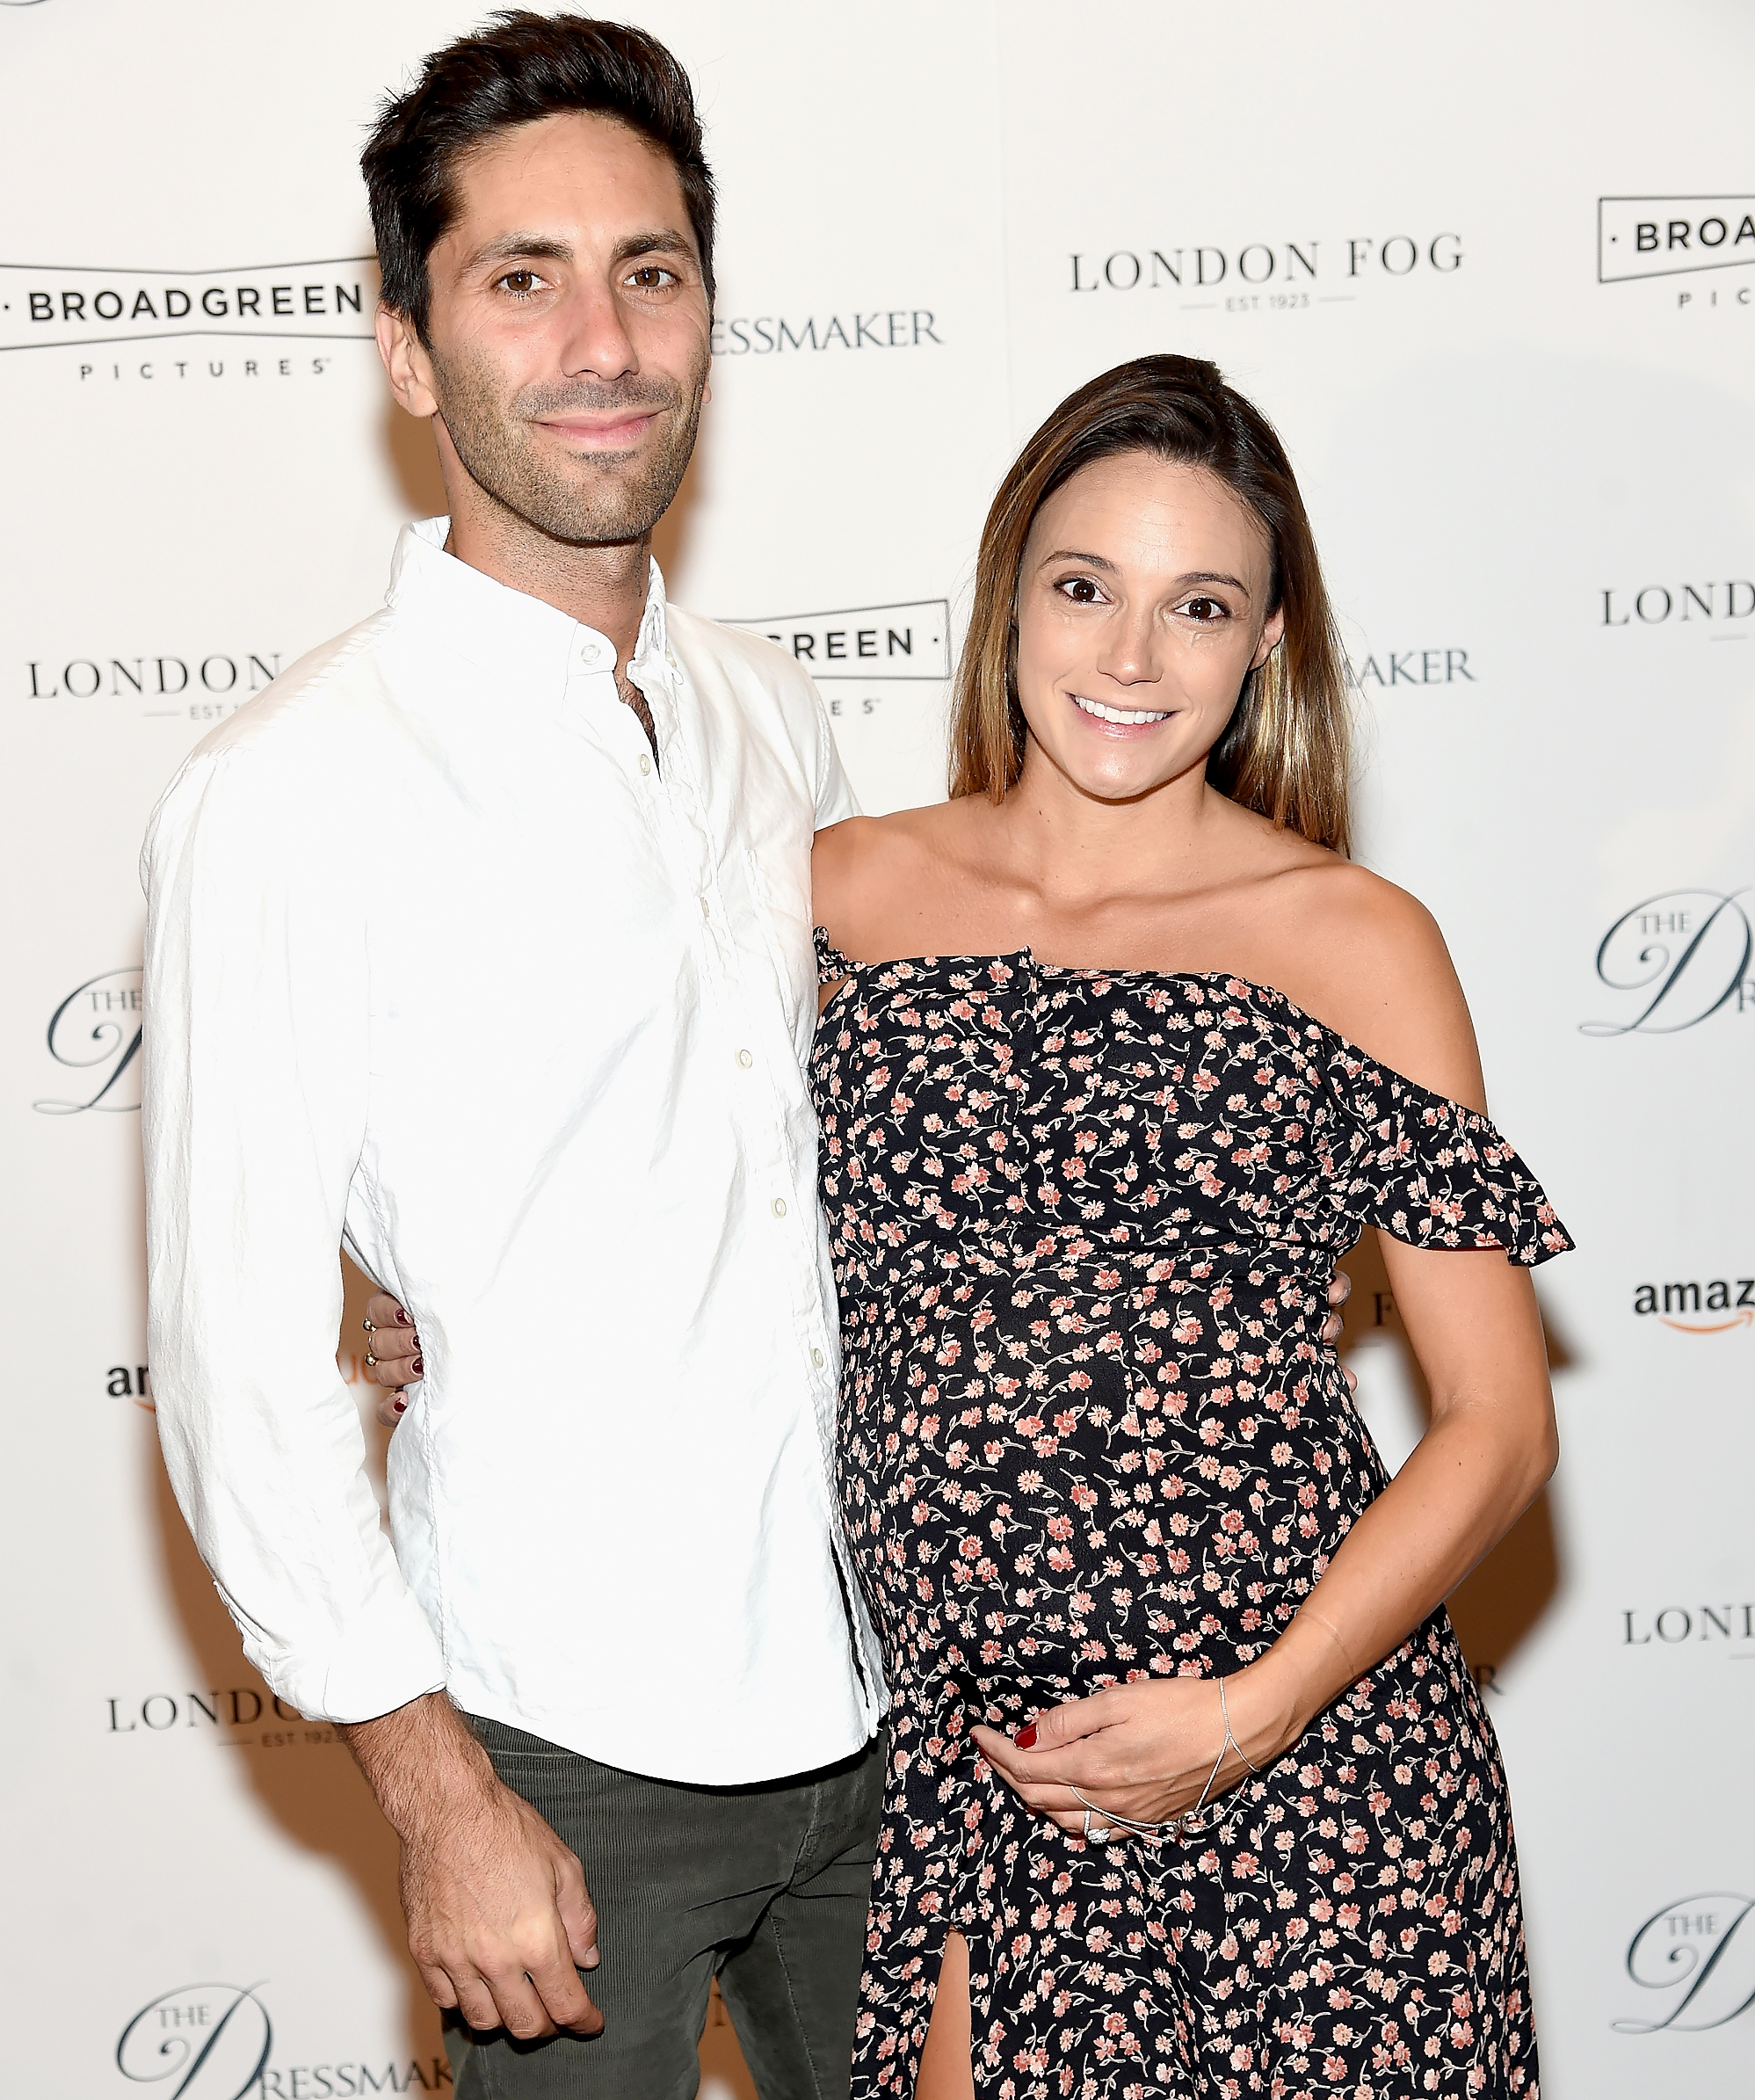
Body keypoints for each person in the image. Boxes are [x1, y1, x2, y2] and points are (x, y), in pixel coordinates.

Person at [368, 353, 1567, 2099]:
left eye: (1198, 606)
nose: (1130, 658)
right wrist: (441, 1304)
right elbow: (655, 1177)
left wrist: (1252, 1709)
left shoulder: (1355, 940)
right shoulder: (836, 893)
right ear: (1011, 594)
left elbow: (1495, 1424)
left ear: (1260, 648)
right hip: (972, 1776)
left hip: (1310, 1774)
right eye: (1083, 588)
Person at [143, 18, 891, 2100]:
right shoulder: (288, 790)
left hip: (875, 1693)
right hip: (561, 1754)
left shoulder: (770, 716)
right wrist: (434, 1795)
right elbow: (232, 1346)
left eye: (651, 272)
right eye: (519, 277)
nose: (603, 340)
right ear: (408, 347)